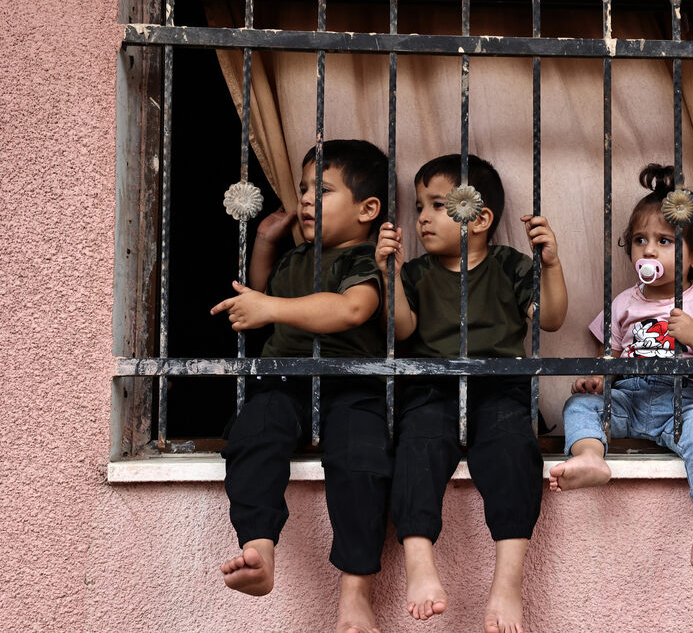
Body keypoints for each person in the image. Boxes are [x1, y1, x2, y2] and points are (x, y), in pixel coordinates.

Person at [375, 154, 567, 633]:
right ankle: (419, 564)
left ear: (479, 219)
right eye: (419, 206)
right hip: (430, 390)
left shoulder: (508, 265)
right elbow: (401, 330)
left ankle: (508, 583)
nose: (421, 217)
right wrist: (390, 276)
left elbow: (551, 318)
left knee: (513, 454)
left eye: (437, 205)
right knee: (416, 448)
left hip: (500, 388)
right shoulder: (418, 273)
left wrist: (552, 263)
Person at [210, 140, 392, 633]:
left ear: (367, 210)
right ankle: (258, 548)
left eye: (324, 190)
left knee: (361, 465)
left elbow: (353, 309)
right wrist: (267, 244)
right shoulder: (297, 258)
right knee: (252, 435)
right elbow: (263, 290)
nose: (307, 199)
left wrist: (270, 308)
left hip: (351, 385)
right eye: (304, 188)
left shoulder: (365, 260)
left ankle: (356, 595)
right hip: (284, 382)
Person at [549, 163, 693, 576]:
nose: (649, 251)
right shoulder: (623, 303)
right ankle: (589, 457)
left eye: (665, 241)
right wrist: (599, 379)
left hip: (687, 400)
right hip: (632, 396)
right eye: (640, 240)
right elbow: (611, 357)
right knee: (580, 406)